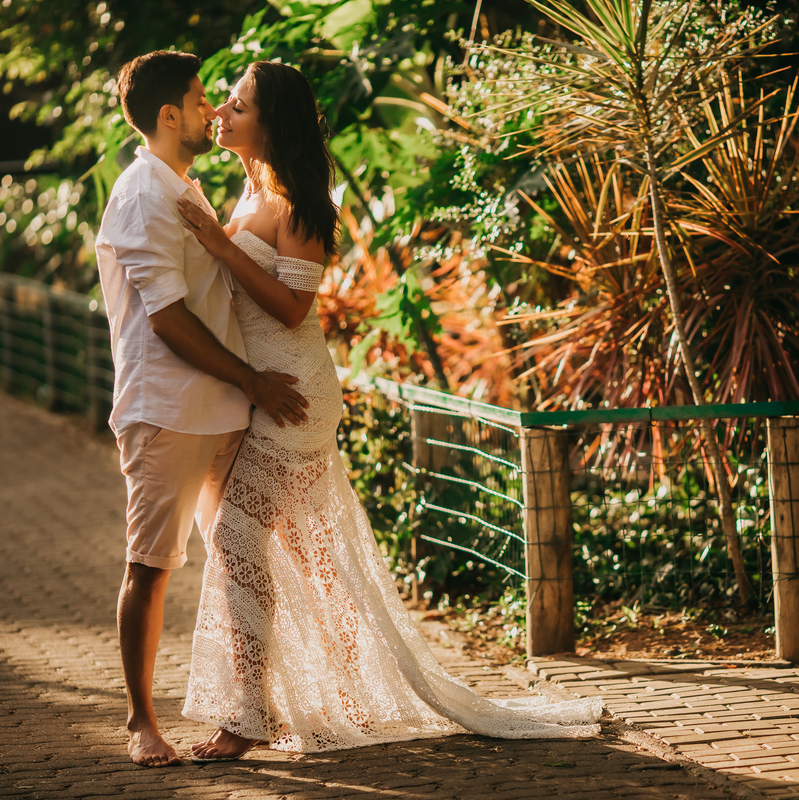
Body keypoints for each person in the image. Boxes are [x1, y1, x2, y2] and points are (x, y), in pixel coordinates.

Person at [175, 61, 603, 760]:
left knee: (236, 541)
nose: (222, 110)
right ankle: (339, 693)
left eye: (239, 104)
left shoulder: (303, 204)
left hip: (295, 396)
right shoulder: (244, 194)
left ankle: (244, 717)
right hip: (256, 389)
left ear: (271, 123)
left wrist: (219, 246)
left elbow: (290, 308)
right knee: (298, 552)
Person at [95, 51, 310, 768]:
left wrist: (246, 388)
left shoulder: (184, 186)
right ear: (168, 115)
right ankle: (141, 723)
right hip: (168, 410)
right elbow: (167, 320)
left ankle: (250, 709)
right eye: (198, 98)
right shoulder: (142, 195)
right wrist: (253, 380)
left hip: (220, 409)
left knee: (240, 560)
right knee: (151, 566)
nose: (211, 108)